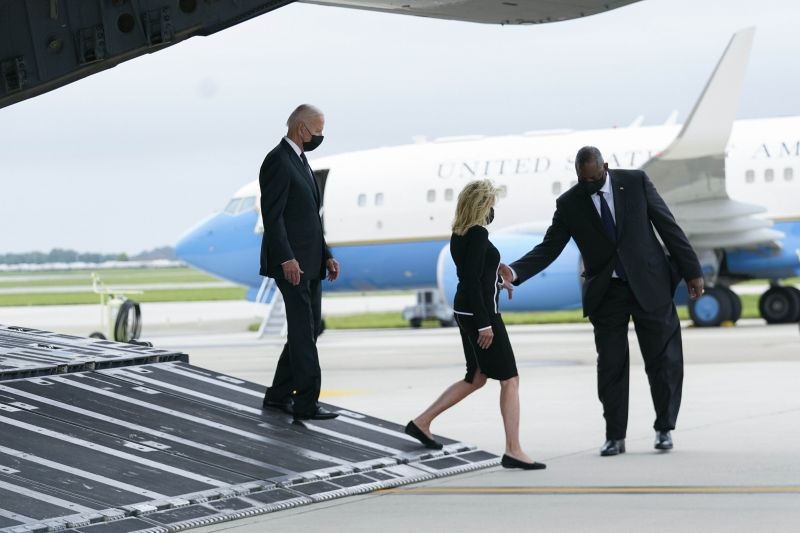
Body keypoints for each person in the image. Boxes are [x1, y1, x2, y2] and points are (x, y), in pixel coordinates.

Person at [499, 146, 704, 456]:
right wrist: (515, 272)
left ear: (605, 167)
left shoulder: (636, 183)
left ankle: (664, 428)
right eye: (584, 180)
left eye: (594, 179)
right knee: (610, 366)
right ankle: (615, 436)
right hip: (607, 293)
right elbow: (549, 247)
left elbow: (667, 226)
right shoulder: (570, 203)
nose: (590, 185)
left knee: (664, 361)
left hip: (650, 285)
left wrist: (692, 272)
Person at [405, 179, 545, 470]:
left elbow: (475, 271)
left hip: (466, 311)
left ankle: (422, 422)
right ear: (483, 205)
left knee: (477, 377)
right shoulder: (478, 233)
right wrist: (484, 324)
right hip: (481, 315)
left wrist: (498, 278)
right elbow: (470, 280)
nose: (494, 209)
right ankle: (513, 450)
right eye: (492, 203)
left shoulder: (461, 233)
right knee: (510, 379)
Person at [259, 104, 340, 421]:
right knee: (303, 333)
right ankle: (306, 402)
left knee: (310, 328)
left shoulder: (302, 161)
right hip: (291, 264)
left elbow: (310, 218)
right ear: (301, 129)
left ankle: (279, 395)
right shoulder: (277, 161)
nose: (321, 136)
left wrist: (327, 254)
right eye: (318, 130)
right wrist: (287, 258)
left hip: (311, 261)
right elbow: (273, 217)